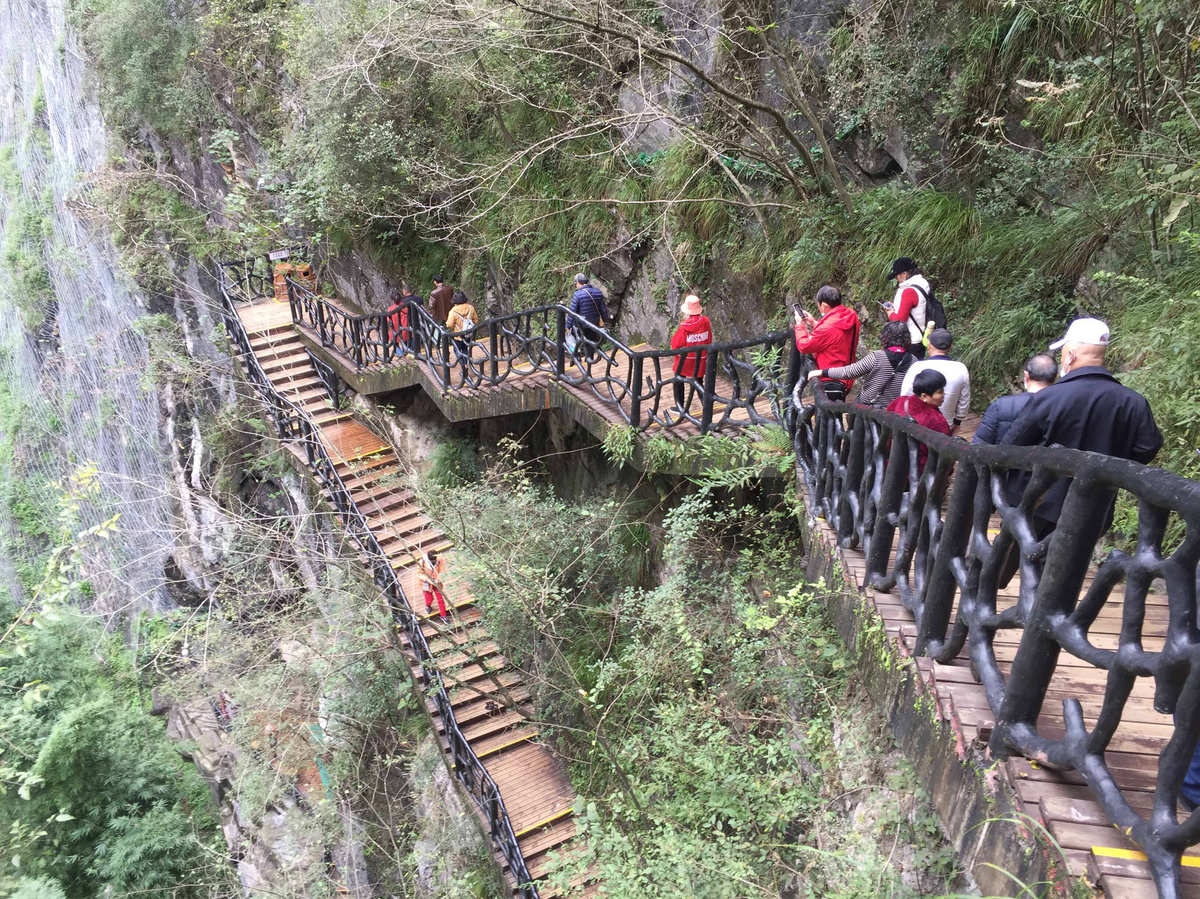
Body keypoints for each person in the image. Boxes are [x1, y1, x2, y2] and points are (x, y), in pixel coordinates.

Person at [1001, 317, 1162, 527]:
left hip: (1039, 506)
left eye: (1062, 352)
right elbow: (1148, 446)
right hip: (1096, 509)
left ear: (1071, 355)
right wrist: (1112, 462)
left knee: (1029, 558)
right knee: (1077, 560)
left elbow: (1010, 445)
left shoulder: (1050, 398)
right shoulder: (1133, 402)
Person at [807, 321, 914, 408]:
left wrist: (822, 372)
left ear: (885, 337)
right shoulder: (914, 361)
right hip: (895, 411)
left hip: (868, 408)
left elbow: (849, 372)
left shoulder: (877, 357)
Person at [792, 285, 861, 402]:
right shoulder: (850, 316)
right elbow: (836, 335)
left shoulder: (827, 328)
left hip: (830, 380)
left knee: (827, 417)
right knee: (834, 416)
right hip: (845, 376)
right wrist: (814, 323)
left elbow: (804, 346)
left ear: (824, 306)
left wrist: (799, 325)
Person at [972, 353, 1057, 445]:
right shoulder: (1060, 408)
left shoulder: (1001, 405)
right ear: (1055, 379)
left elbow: (980, 444)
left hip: (1001, 458)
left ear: (1026, 376)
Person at [899, 328, 970, 433]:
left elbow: (905, 396)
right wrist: (958, 422)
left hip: (918, 424)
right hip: (946, 425)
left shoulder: (917, 367)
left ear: (929, 346)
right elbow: (964, 400)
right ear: (950, 347)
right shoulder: (961, 368)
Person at [886, 368, 952, 472]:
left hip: (891, 463)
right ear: (924, 396)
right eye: (940, 392)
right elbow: (945, 453)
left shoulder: (900, 401)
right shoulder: (936, 420)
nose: (943, 395)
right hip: (918, 473)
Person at [669, 294, 712, 413]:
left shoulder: (684, 327)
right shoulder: (706, 322)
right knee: (698, 382)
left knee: (678, 380)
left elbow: (676, 344)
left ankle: (680, 407)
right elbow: (709, 339)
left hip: (685, 360)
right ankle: (707, 405)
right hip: (700, 358)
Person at [885, 257, 933, 359]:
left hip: (910, 341)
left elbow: (900, 320)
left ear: (904, 274)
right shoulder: (923, 284)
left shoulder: (909, 291)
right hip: (921, 336)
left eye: (897, 275)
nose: (896, 279)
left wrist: (890, 313)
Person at [568, 273, 611, 362]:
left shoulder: (578, 295)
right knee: (590, 341)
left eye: (576, 283)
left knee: (571, 338)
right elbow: (603, 309)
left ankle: (577, 356)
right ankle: (589, 361)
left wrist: (568, 325)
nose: (576, 285)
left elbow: (572, 312)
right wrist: (605, 320)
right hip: (594, 323)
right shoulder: (597, 292)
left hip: (581, 324)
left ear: (579, 282)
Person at [445, 289, 479, 367]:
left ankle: (462, 364)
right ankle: (466, 362)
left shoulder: (453, 311)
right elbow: (476, 320)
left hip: (458, 335)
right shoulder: (470, 308)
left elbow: (449, 324)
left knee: (456, 349)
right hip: (468, 333)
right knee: (464, 349)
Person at [418, 549, 448, 621]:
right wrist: (429, 581)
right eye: (433, 561)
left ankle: (443, 616)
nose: (434, 562)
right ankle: (428, 605)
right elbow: (419, 574)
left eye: (435, 560)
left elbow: (442, 570)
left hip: (436, 581)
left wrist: (439, 578)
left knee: (440, 599)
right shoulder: (422, 562)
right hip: (426, 583)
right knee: (429, 598)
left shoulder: (439, 560)